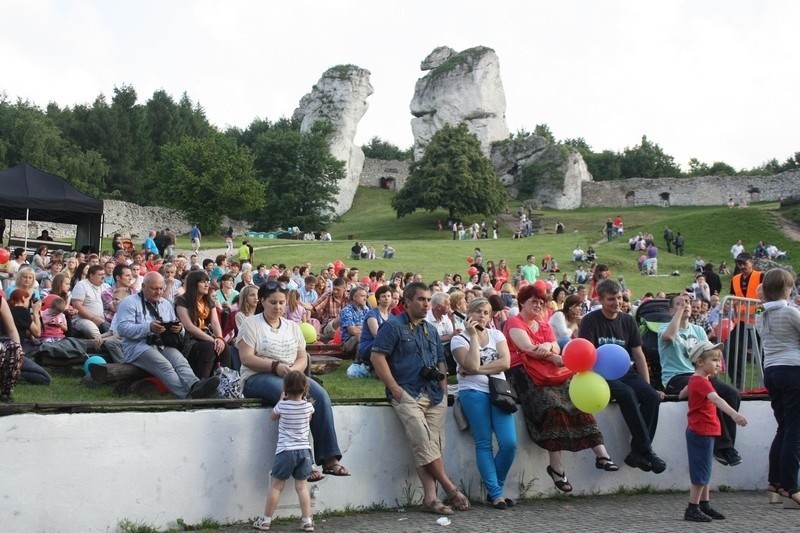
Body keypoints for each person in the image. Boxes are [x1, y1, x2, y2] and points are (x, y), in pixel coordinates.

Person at [504, 284, 618, 494]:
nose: (538, 305)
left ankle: (602, 455)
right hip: (524, 374)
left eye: (541, 302)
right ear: (522, 302)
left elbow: (555, 346)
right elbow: (527, 348)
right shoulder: (514, 322)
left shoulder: (544, 323)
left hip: (549, 370)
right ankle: (556, 468)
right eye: (533, 301)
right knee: (552, 407)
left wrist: (548, 349)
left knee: (577, 402)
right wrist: (550, 351)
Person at [370, 282, 471, 516]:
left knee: (430, 446)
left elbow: (440, 362)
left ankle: (431, 499)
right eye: (421, 299)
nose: (426, 304)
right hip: (407, 392)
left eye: (428, 300)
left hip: (434, 393)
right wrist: (394, 388)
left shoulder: (431, 329)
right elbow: (377, 357)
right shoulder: (393, 326)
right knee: (423, 440)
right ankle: (450, 488)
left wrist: (444, 390)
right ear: (407, 301)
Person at [238, 281, 349, 482]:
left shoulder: (292, 326)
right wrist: (275, 367)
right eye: (273, 302)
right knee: (294, 399)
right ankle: (303, 463)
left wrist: (292, 372)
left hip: (290, 375)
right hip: (257, 376)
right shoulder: (251, 324)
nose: (278, 307)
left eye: (281, 303)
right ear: (262, 301)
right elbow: (247, 358)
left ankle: (329, 458)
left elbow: (301, 358)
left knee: (321, 396)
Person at [579, 279, 667, 474]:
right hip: (600, 375)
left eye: (619, 298)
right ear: (600, 300)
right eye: (611, 299)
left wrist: (647, 385)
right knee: (627, 394)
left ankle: (637, 452)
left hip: (626, 372)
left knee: (651, 396)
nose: (617, 303)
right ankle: (646, 451)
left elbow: (638, 354)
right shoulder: (590, 321)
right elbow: (586, 355)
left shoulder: (628, 320)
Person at [658, 294, 742, 467]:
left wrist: (714, 368)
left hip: (700, 375)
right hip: (676, 378)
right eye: (680, 304)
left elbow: (709, 357)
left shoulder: (698, 330)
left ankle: (725, 448)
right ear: (671, 310)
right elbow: (669, 337)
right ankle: (723, 446)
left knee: (732, 394)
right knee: (710, 394)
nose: (686, 305)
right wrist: (680, 311)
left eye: (687, 302)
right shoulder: (664, 328)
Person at [450, 298, 516, 509]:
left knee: (509, 443)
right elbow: (469, 363)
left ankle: (494, 487)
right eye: (478, 312)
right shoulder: (459, 340)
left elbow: (505, 362)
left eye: (486, 313)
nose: (482, 316)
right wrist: (473, 338)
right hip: (473, 392)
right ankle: (496, 494)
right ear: (469, 313)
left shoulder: (497, 335)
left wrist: (477, 368)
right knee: (484, 443)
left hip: (499, 391)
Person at [114, 272, 220, 399]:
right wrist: (148, 327)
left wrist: (178, 328)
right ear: (143, 286)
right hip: (137, 347)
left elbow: (178, 324)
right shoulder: (129, 303)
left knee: (181, 361)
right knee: (165, 366)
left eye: (161, 289)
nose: (158, 292)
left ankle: (195, 386)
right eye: (154, 289)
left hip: (162, 344)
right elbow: (122, 329)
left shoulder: (165, 303)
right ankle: (189, 397)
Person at [682, 340, 748, 522]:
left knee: (705, 469)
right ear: (700, 362)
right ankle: (692, 508)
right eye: (714, 360)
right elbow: (717, 400)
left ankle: (704, 504)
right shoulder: (701, 382)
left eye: (719, 361)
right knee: (700, 472)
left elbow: (685, 391)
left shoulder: (699, 380)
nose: (718, 364)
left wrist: (683, 394)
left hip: (706, 430)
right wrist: (735, 415)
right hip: (700, 431)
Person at [756, 268, 800, 507]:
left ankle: (774, 483)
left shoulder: (760, 314)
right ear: (786, 288)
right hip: (793, 370)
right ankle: (791, 486)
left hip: (771, 371)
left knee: (783, 428)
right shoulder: (791, 313)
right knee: (795, 430)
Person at [252, 370, 316, 532]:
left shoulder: (282, 405)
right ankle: (307, 521)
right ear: (305, 388)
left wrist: (280, 401)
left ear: (285, 388)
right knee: (302, 487)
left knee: (276, 486)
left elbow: (273, 417)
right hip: (304, 452)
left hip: (286, 451)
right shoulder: (308, 407)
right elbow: (308, 419)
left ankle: (266, 520)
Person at [175, 270, 232, 378]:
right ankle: (202, 383)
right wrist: (212, 340)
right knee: (209, 347)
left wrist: (219, 338)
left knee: (224, 346)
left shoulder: (208, 301)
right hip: (189, 340)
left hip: (206, 336)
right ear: (193, 284)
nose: (207, 284)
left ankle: (226, 382)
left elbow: (215, 322)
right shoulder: (182, 301)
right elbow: (189, 327)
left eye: (207, 281)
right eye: (202, 282)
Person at [728, 252, 763, 388]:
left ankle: (767, 383)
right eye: (739, 263)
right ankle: (737, 382)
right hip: (741, 322)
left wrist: (759, 313)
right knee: (732, 349)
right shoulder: (735, 279)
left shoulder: (761, 276)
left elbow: (767, 298)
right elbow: (733, 297)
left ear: (752, 262)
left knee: (763, 352)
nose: (742, 266)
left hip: (759, 321)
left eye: (744, 263)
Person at [71, 264, 110, 339]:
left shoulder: (106, 286)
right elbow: (77, 305)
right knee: (93, 331)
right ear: (91, 275)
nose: (103, 277)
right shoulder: (82, 285)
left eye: (103, 274)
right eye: (100, 274)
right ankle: (99, 347)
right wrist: (93, 318)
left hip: (104, 320)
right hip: (84, 319)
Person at [338, 287, 369, 355]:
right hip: (348, 343)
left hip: (364, 339)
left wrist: (359, 327)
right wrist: (366, 330)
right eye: (362, 296)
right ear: (354, 297)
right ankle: (358, 363)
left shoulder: (366, 310)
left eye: (366, 296)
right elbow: (352, 331)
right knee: (359, 337)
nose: (365, 298)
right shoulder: (346, 311)